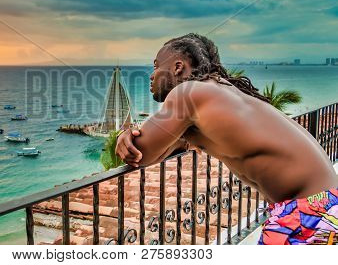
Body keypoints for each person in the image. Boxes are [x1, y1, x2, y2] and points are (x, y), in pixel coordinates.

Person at [115, 33, 337, 245]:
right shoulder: (221, 90)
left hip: (308, 212)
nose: (151, 75)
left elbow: (141, 152)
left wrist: (125, 135)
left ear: (178, 66)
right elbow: (167, 146)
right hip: (324, 201)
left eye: (156, 66)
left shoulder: (187, 93)